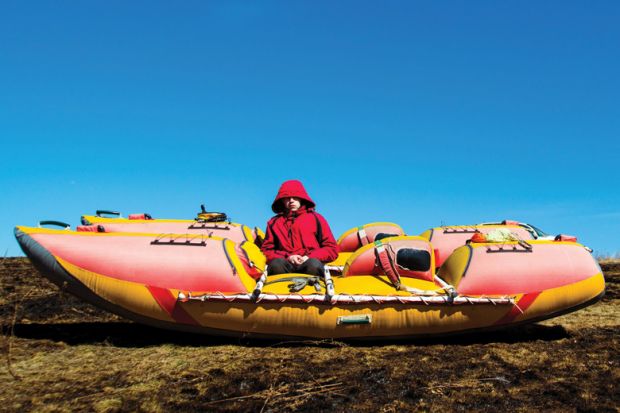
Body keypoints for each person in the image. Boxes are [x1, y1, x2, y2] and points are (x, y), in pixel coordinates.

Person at [261, 180, 338, 277]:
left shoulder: (317, 219)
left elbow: (331, 248)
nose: (291, 200)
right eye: (287, 198)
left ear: (302, 198)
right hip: (284, 264)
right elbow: (266, 251)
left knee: (313, 264)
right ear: (281, 200)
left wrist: (309, 257)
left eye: (295, 196)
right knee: (276, 264)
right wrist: (288, 257)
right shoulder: (273, 223)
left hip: (309, 263)